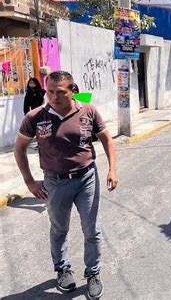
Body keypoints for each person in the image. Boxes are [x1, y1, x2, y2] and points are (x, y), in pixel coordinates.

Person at [14, 71, 118, 299]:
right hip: (55, 181)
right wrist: (29, 181)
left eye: (60, 92)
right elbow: (19, 147)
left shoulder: (88, 111)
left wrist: (112, 169)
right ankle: (62, 269)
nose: (53, 97)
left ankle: (93, 273)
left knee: (91, 228)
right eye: (49, 91)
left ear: (73, 90)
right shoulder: (35, 117)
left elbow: (107, 139)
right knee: (59, 229)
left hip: (86, 178)